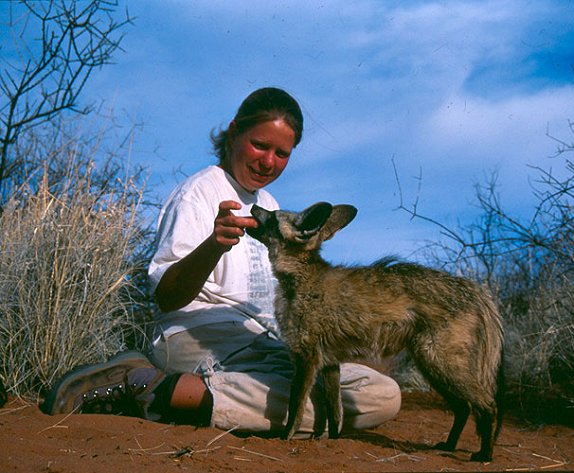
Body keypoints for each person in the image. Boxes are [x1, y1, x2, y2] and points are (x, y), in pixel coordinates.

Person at [42, 87, 401, 436]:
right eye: (259, 145)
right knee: (331, 397)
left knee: (382, 393)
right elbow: (167, 298)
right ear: (233, 133)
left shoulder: (271, 207)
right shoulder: (197, 193)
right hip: (197, 337)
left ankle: (195, 393)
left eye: (282, 153)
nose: (268, 161)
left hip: (261, 343)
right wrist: (214, 245)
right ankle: (157, 389)